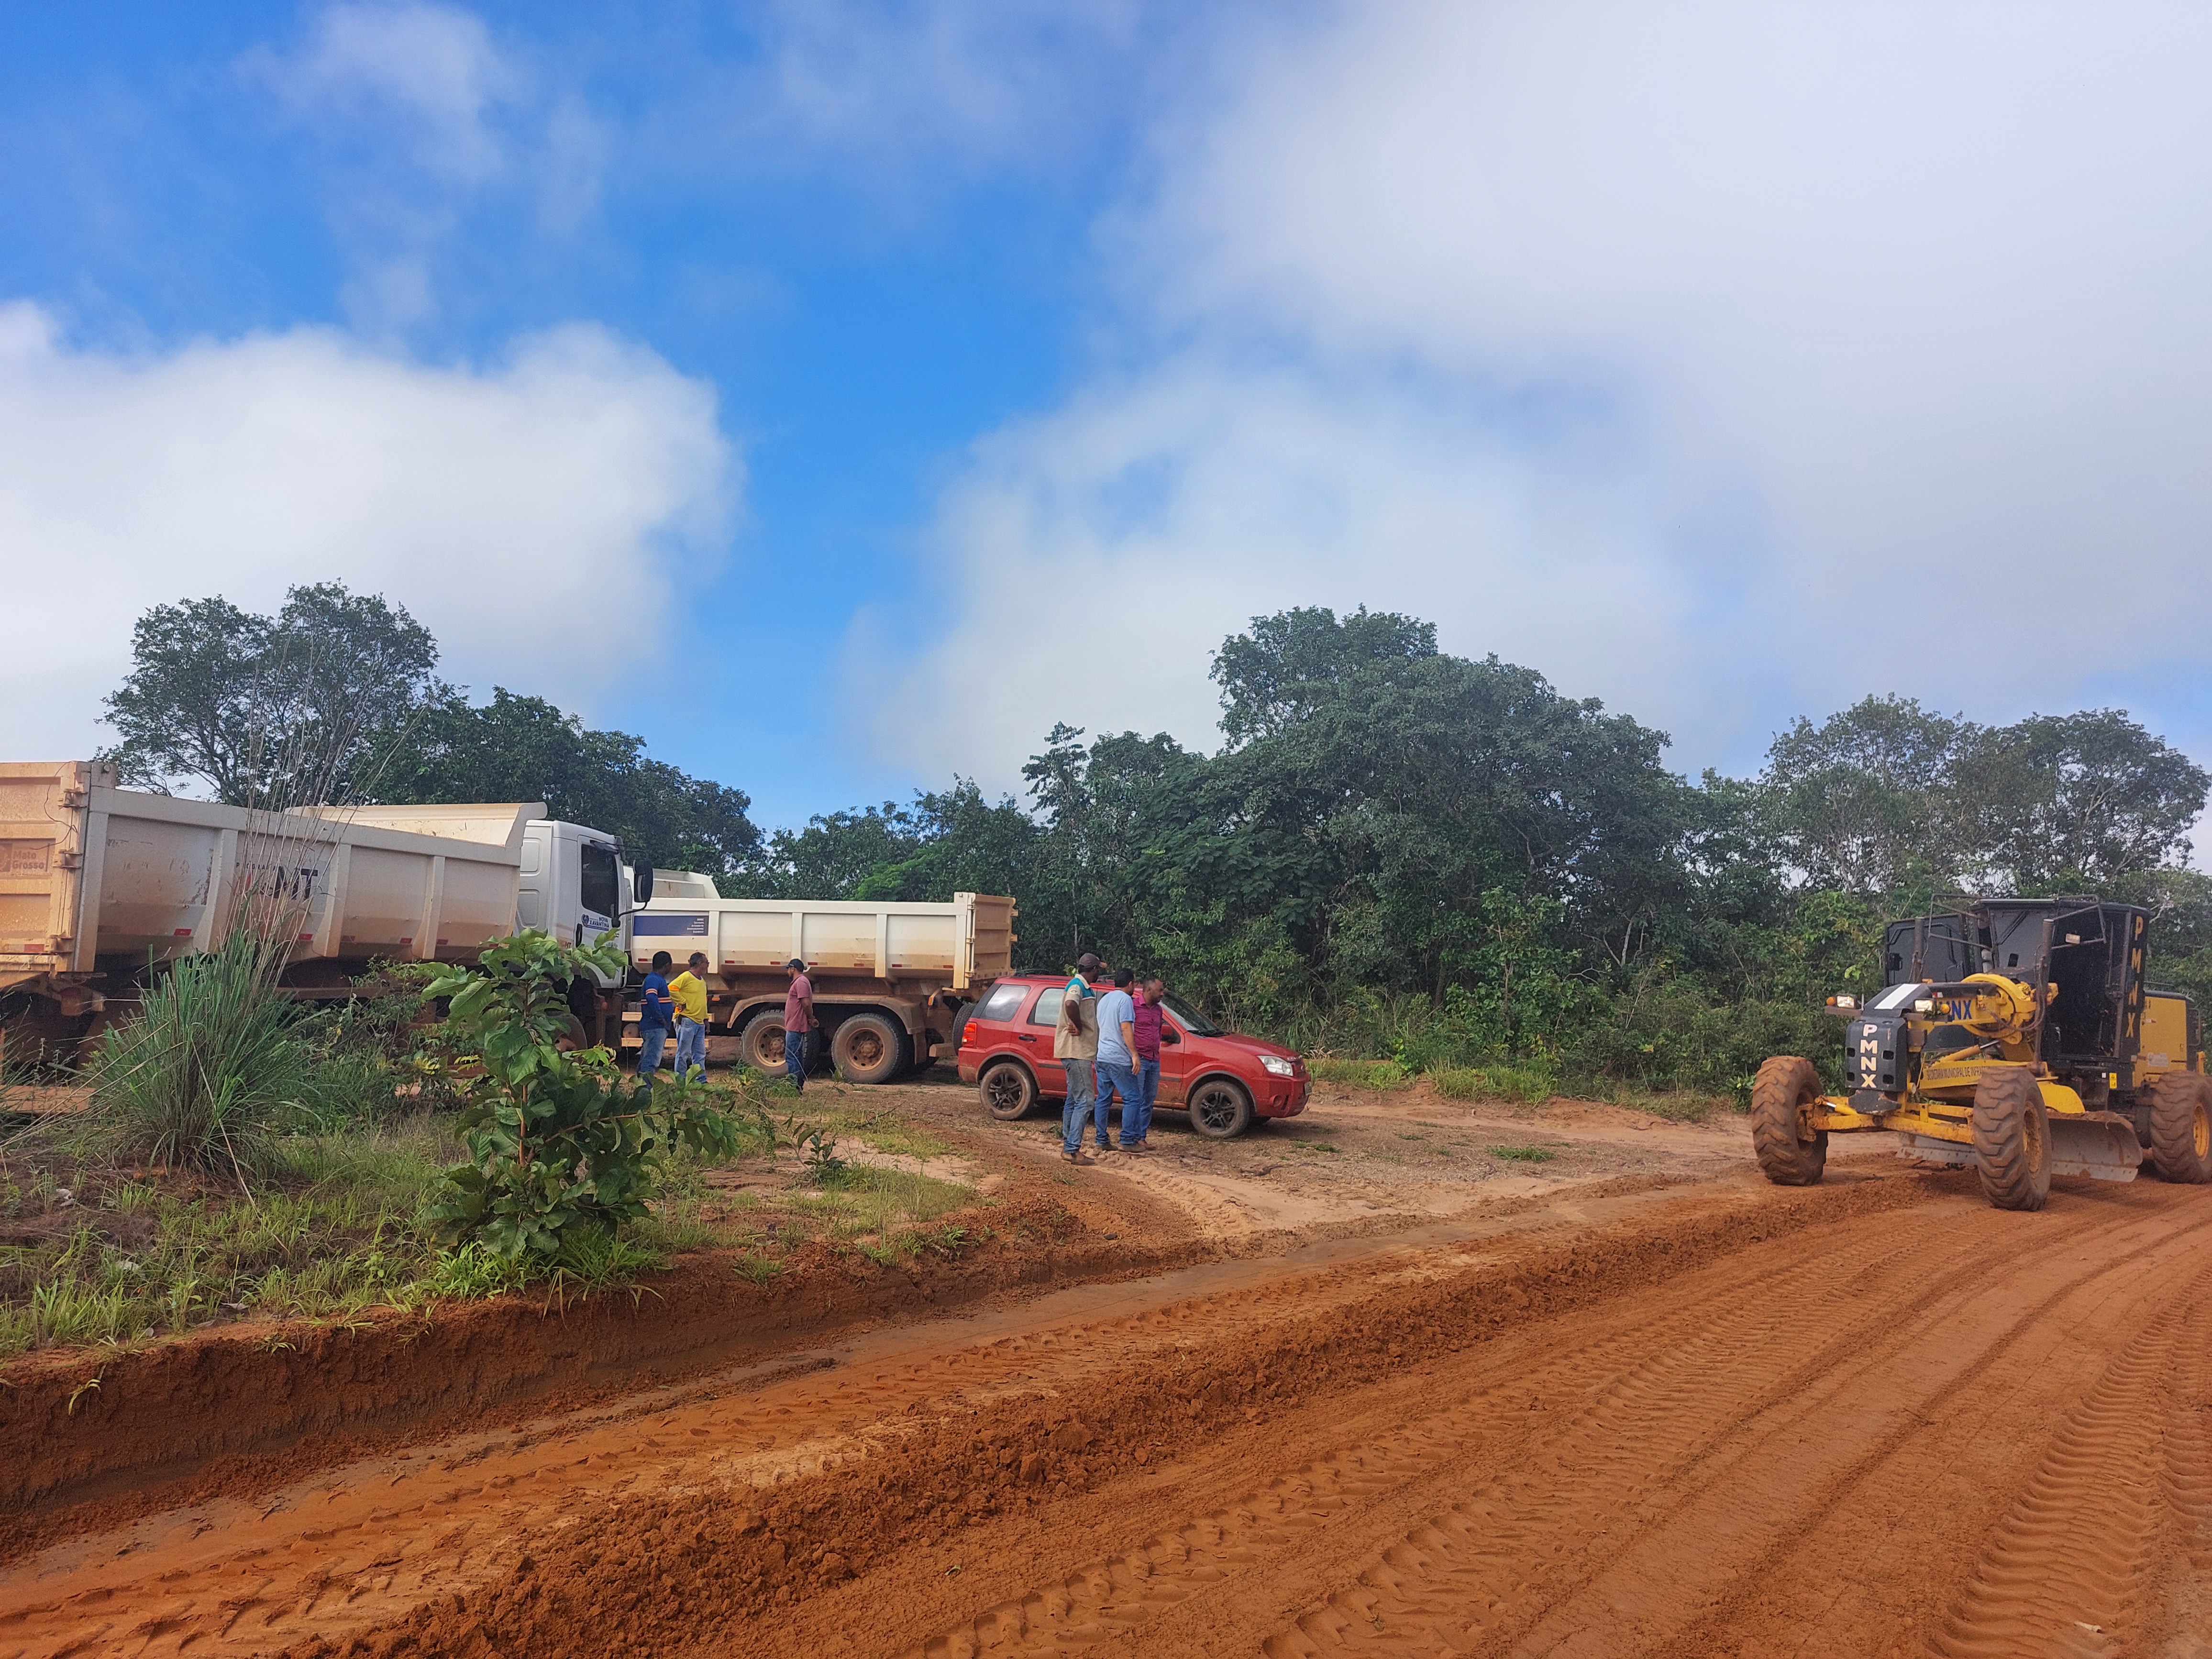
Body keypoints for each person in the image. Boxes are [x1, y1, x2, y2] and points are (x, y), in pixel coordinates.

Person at [1055, 952, 1103, 1165]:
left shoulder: (1081, 985)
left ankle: (1069, 1144)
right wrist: (1079, 1025)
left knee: (1074, 1099)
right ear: (1094, 969)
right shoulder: (1077, 986)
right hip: (1077, 1052)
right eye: (1098, 969)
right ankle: (1072, 1149)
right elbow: (1070, 1005)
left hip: (1074, 1052)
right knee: (1085, 1100)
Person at [1092, 968, 1141, 1155]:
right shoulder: (1125, 1000)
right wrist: (1134, 1054)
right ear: (1130, 984)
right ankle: (1127, 1140)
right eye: (1135, 983)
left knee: (1104, 1099)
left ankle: (1101, 1138)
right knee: (1133, 1098)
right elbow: (1126, 1028)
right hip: (1119, 1058)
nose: (1135, 986)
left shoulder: (1105, 1000)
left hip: (1102, 1056)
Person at [1124, 977, 1166, 1150]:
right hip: (1139, 1059)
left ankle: (1141, 1137)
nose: (1162, 994)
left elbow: (1159, 1030)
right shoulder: (1133, 1006)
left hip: (1154, 1059)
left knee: (1149, 1099)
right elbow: (1125, 1029)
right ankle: (1131, 1137)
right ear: (1148, 991)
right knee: (1136, 1098)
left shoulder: (1158, 1010)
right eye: (1160, 990)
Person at [669, 951, 710, 1081]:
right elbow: (671, 988)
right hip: (687, 1020)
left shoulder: (702, 981)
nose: (708, 965)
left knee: (700, 1054)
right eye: (707, 963)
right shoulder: (686, 976)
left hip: (699, 1022)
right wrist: (682, 1002)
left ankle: (701, 1080)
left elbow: (702, 1001)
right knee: (683, 1053)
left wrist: (705, 1019)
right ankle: (680, 1080)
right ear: (700, 964)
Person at [637, 951, 675, 1082]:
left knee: (647, 1058)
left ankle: (641, 1085)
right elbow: (651, 997)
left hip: (655, 1026)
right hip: (655, 1027)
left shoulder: (655, 979)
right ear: (667, 965)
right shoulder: (654, 979)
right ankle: (646, 1088)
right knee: (651, 1060)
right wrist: (660, 1018)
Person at [782, 958, 814, 1092]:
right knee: (796, 1055)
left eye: (788, 969)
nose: (787, 972)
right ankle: (798, 1084)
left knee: (792, 1056)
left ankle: (794, 1087)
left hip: (795, 1025)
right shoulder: (800, 982)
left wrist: (811, 1018)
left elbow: (806, 1003)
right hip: (794, 1025)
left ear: (793, 969)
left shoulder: (801, 982)